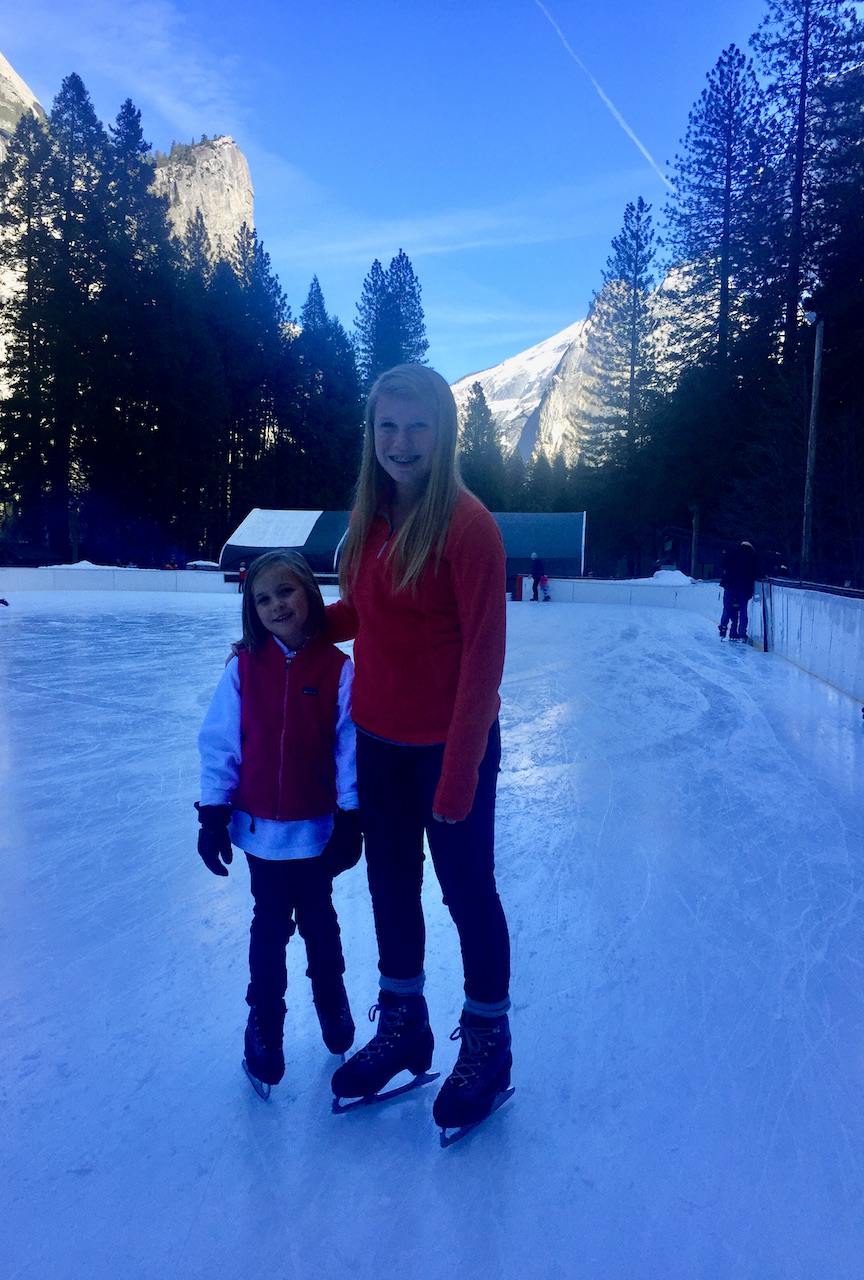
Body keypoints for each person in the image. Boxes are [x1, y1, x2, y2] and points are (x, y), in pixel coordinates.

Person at [325, 363, 512, 1141]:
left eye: (417, 428)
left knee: (468, 894)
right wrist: (297, 626)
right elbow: (368, 619)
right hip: (378, 745)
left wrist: (461, 771)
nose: (401, 444)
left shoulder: (468, 526)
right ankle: (406, 1027)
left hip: (447, 749)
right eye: (387, 428)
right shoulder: (369, 521)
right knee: (391, 890)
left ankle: (490, 1044)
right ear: (371, 436)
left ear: (444, 434)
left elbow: (483, 660)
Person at [196, 550, 362, 1097]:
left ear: (310, 594)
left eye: (285, 592)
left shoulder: (338, 668)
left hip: (316, 831)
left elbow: (348, 748)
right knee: (269, 926)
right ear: (251, 609)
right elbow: (220, 743)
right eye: (262, 598)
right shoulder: (243, 667)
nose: (275, 605)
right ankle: (264, 1023)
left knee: (319, 921)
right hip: (260, 834)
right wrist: (214, 813)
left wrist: (351, 814)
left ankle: (332, 1003)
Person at [719, 540, 759, 641]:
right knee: (742, 611)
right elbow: (754, 572)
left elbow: (723, 565)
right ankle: (742, 633)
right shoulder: (750, 557)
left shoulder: (731, 554)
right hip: (743, 588)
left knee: (727, 608)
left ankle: (723, 628)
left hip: (729, 586)